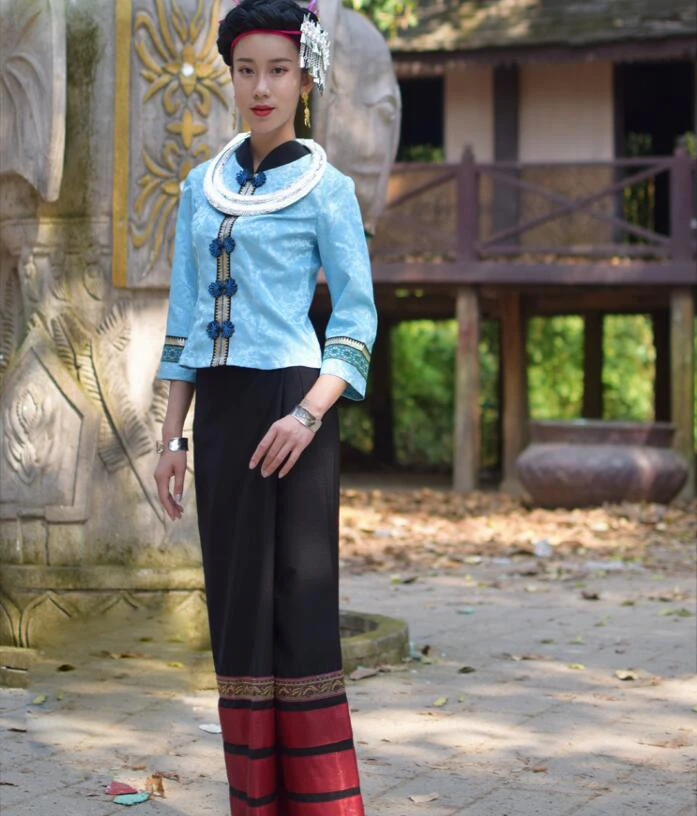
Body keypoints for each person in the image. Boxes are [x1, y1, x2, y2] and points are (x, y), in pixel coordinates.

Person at [152, 1, 377, 813]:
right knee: (237, 607)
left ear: (304, 78)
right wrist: (170, 438)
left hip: (294, 407)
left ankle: (321, 803)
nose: (260, 87)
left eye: (278, 70)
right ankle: (254, 799)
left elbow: (355, 320)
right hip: (220, 414)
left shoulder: (329, 190)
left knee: (298, 603)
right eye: (246, 69)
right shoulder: (199, 188)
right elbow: (184, 320)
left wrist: (308, 414)